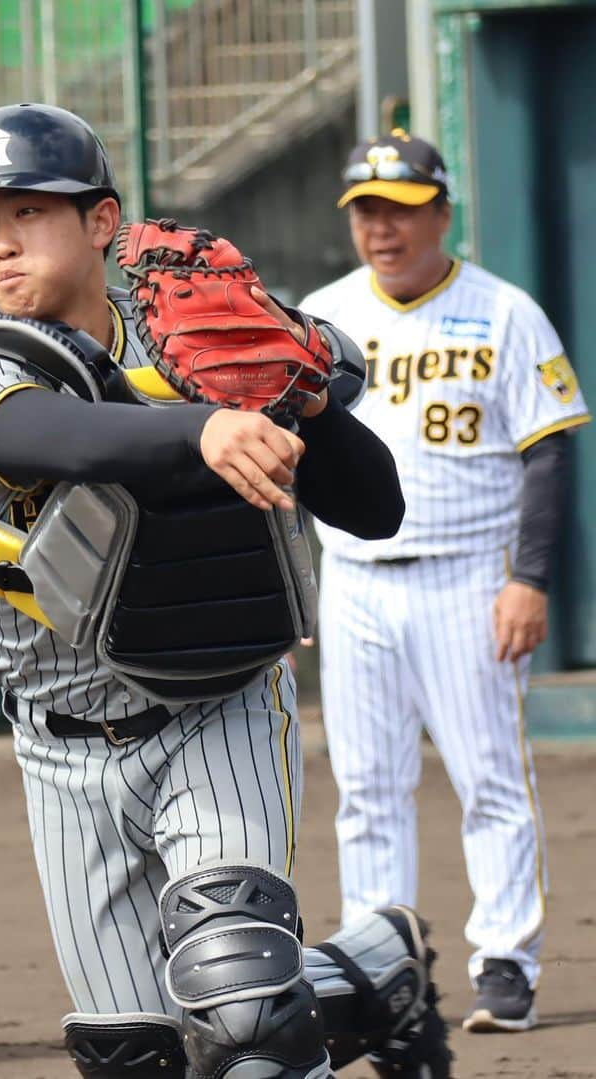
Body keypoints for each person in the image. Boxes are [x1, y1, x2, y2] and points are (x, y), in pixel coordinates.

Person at [0, 101, 451, 1078]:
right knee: (136, 1055)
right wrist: (200, 429)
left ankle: (298, 1004)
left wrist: (310, 401)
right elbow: (49, 435)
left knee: (240, 1010)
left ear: (102, 221)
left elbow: (375, 510)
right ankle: (373, 973)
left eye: (27, 213)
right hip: (59, 742)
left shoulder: (211, 338)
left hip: (220, 712)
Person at [300, 130, 591, 1035]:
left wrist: (530, 578)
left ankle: (505, 958)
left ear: (442, 212)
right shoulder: (321, 315)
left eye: (402, 209)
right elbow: (283, 454)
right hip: (352, 581)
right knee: (367, 787)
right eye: (368, 211)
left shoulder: (505, 312)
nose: (383, 229)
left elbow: (548, 451)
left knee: (491, 778)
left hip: (471, 576)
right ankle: (376, 966)